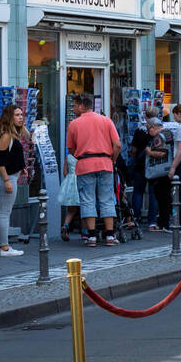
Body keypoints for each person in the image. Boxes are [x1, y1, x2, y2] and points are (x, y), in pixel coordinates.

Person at [66, 93, 122, 247]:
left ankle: (91, 236)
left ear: (82, 106)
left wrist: (80, 155)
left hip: (85, 164)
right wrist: (113, 159)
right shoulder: (106, 120)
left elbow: (70, 148)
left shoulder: (74, 124)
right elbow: (117, 144)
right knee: (107, 198)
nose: (74, 108)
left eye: (75, 105)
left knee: (87, 199)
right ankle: (110, 235)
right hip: (105, 163)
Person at [0, 105, 28, 257]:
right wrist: (7, 180)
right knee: (4, 213)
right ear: (10, 117)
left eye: (21, 114)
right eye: (17, 115)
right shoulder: (7, 135)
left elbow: (9, 157)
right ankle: (5, 248)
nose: (21, 117)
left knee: (3, 213)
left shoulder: (11, 135)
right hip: (6, 178)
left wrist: (22, 167)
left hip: (10, 176)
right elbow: (0, 161)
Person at [142, 118, 175, 232]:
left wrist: (149, 152)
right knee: (166, 197)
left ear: (154, 127)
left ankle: (163, 223)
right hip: (168, 169)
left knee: (162, 198)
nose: (148, 132)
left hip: (161, 172)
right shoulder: (168, 132)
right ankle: (167, 220)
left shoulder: (159, 136)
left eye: (148, 129)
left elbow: (162, 153)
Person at [59, 152, 80, 240]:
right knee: (85, 207)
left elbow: (64, 173)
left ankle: (65, 226)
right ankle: (85, 233)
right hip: (80, 180)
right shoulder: (82, 156)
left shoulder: (68, 157)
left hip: (70, 182)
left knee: (71, 210)